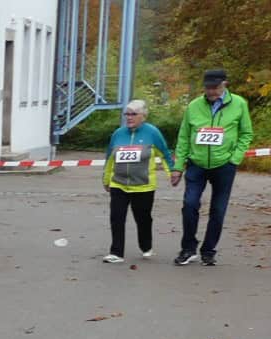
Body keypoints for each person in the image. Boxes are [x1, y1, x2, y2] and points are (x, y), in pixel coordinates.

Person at [171, 68, 255, 266]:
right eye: (208, 88)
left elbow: (246, 134)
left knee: (218, 209)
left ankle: (208, 251)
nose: (211, 92)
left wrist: (234, 158)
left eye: (215, 87)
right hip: (196, 163)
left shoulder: (239, 104)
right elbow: (183, 137)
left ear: (225, 84)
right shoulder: (193, 106)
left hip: (224, 165)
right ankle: (188, 248)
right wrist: (177, 166)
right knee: (190, 204)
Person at [101, 100, 174, 264]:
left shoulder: (152, 133)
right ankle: (116, 252)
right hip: (118, 184)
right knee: (117, 217)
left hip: (143, 186)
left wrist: (172, 173)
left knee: (143, 218)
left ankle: (146, 246)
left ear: (143, 116)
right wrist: (106, 179)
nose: (129, 117)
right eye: (126, 113)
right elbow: (109, 158)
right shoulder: (118, 134)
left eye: (133, 114)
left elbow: (165, 154)